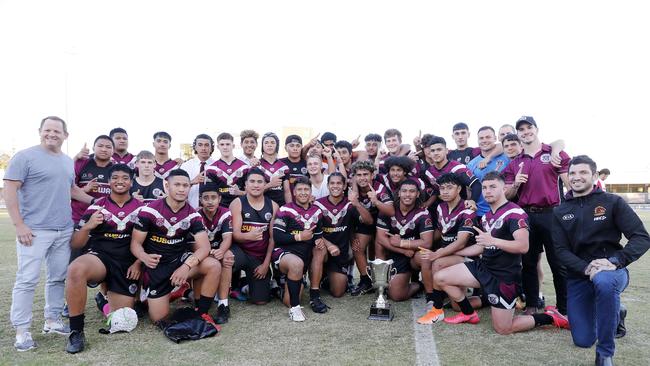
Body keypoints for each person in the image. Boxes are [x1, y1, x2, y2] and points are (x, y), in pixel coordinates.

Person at [433, 172, 568, 333]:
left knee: (503, 328)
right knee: (440, 277)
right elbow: (481, 247)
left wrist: (494, 241)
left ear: (504, 189)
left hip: (505, 276)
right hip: (484, 267)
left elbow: (523, 246)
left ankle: (550, 317)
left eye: (492, 187)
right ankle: (468, 313)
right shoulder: (487, 216)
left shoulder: (515, 213)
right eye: (484, 188)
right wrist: (454, 251)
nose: (487, 191)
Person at [553, 155, 650, 365]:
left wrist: (615, 260)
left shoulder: (612, 202)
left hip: (613, 270)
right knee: (583, 340)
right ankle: (616, 312)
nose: (576, 177)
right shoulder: (560, 211)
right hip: (580, 275)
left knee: (605, 282)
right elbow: (560, 250)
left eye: (583, 172)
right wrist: (586, 268)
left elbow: (642, 238)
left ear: (595, 176)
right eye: (572, 173)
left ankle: (605, 354)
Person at [5, 116, 91, 351]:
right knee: (27, 280)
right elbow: (10, 190)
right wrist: (19, 225)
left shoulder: (65, 161)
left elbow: (72, 190)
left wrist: (100, 202)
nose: (51, 134)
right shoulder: (25, 157)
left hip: (63, 229)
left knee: (57, 278)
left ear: (65, 135)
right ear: (40, 131)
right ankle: (22, 331)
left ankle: (52, 320)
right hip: (34, 231)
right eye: (47, 130)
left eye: (57, 131)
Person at [65, 164, 144, 353]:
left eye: (125, 178)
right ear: (108, 181)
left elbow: (147, 243)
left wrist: (138, 262)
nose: (120, 181)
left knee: (123, 318)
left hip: (127, 263)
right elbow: (76, 244)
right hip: (101, 258)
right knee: (76, 269)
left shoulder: (142, 209)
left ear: (131, 182)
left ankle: (104, 300)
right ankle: (76, 331)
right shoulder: (97, 206)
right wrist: (87, 226)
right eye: (115, 177)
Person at [130, 169, 221, 324]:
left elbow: (204, 247)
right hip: (157, 265)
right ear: (167, 186)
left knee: (213, 265)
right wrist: (144, 257)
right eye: (177, 184)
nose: (181, 189)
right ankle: (169, 293)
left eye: (185, 185)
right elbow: (135, 244)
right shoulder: (149, 211)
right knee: (158, 318)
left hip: (179, 260)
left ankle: (202, 313)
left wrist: (186, 266)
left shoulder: (193, 215)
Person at [503, 116, 571, 315]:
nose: (526, 132)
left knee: (558, 263)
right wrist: (516, 183)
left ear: (536, 129)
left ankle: (564, 308)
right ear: (518, 134)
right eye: (521, 129)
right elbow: (507, 195)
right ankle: (532, 303)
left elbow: (570, 184)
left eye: (529, 127)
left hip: (553, 214)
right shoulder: (515, 163)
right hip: (526, 216)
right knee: (528, 262)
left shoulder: (554, 153)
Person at [417, 173, 477, 324]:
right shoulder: (440, 207)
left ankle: (436, 309)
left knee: (437, 262)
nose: (445, 191)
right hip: (450, 254)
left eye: (449, 188)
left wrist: (436, 253)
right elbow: (441, 232)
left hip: (469, 256)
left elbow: (461, 243)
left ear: (459, 189)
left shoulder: (467, 209)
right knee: (457, 306)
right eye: (442, 188)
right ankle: (488, 299)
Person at [312, 173, 373, 310]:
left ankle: (327, 278)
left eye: (339, 183)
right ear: (327, 186)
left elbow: (369, 221)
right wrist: (329, 244)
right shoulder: (318, 204)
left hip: (340, 254)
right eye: (332, 183)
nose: (335, 186)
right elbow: (312, 231)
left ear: (344, 186)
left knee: (338, 292)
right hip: (324, 249)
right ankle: (314, 292)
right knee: (320, 248)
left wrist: (357, 203)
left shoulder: (349, 204)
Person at [272, 177, 324, 321]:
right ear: (294, 192)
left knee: (321, 248)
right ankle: (295, 309)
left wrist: (319, 240)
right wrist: (300, 237)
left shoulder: (317, 211)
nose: (303, 193)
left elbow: (317, 236)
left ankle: (314, 295)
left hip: (305, 256)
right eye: (299, 190)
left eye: (306, 189)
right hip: (284, 254)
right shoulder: (285, 209)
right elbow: (277, 237)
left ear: (310, 191)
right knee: (296, 266)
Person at [376, 179, 434, 301]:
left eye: (412, 191)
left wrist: (402, 242)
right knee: (397, 296)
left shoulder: (423, 213)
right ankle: (419, 285)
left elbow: (427, 243)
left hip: (414, 255)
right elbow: (381, 238)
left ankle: (431, 295)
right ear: (399, 193)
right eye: (404, 191)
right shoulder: (388, 211)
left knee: (424, 256)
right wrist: (402, 250)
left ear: (418, 194)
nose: (408, 194)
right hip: (398, 254)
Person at [229, 168, 279, 306]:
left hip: (258, 258)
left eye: (259, 182)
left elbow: (272, 239)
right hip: (240, 252)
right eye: (252, 181)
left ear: (265, 185)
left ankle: (245, 284)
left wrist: (265, 265)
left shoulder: (273, 206)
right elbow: (236, 235)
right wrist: (248, 236)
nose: (256, 185)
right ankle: (226, 291)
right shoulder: (237, 203)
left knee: (261, 300)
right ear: (245, 185)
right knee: (226, 258)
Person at [349, 160, 395, 296]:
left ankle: (382, 282)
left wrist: (376, 201)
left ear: (372, 175)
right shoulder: (353, 189)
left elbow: (391, 211)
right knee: (357, 247)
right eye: (359, 175)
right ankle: (366, 280)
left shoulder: (379, 188)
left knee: (379, 248)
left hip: (383, 222)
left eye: (365, 174)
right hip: (365, 222)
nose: (362, 178)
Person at [195, 183, 235, 324]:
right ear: (201, 200)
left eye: (213, 197)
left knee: (227, 257)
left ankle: (223, 304)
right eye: (206, 198)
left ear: (219, 198)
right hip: (201, 250)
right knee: (202, 261)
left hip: (219, 248)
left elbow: (227, 238)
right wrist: (209, 253)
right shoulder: (196, 215)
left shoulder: (225, 213)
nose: (210, 201)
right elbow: (194, 245)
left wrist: (221, 251)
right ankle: (197, 298)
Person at [421, 136, 481, 210]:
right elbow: (435, 191)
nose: (436, 153)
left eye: (439, 149)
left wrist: (472, 200)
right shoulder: (428, 172)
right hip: (441, 212)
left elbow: (476, 184)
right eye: (433, 151)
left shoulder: (457, 168)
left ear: (446, 151)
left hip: (460, 211)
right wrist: (427, 203)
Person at [466, 126, 510, 216]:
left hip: (504, 211)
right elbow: (469, 190)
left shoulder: (507, 157)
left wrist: (488, 158)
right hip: (480, 213)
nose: (484, 140)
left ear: (495, 138)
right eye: (481, 138)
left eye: (488, 137)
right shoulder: (471, 164)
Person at [205, 133, 251, 208]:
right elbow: (210, 193)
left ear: (233, 146)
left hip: (241, 207)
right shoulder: (211, 168)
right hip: (219, 208)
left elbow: (251, 192)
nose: (225, 147)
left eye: (228, 144)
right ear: (218, 147)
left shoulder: (244, 167)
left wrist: (240, 192)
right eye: (222, 144)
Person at [180, 134, 215, 208]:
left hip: (212, 211)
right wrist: (192, 182)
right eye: (200, 145)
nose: (203, 148)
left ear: (211, 148)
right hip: (190, 209)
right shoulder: (185, 166)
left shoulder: (217, 166)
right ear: (195, 147)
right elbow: (178, 187)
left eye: (206, 145)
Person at [258, 132, 291, 206]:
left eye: (272, 142)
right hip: (261, 206)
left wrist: (290, 208)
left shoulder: (284, 167)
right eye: (266, 143)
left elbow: (287, 191)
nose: (269, 145)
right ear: (262, 146)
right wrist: (270, 185)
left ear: (277, 145)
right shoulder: (257, 165)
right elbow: (253, 191)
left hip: (280, 206)